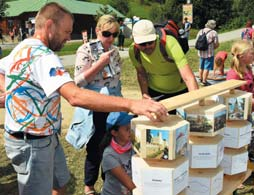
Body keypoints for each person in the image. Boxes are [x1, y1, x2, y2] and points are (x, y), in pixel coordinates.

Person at [0, 3, 168, 195]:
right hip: (33, 142)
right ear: (49, 26)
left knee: (59, 184)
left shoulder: (24, 46)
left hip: (46, 137)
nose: (67, 37)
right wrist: (131, 104)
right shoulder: (43, 56)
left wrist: (13, 91)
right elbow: (74, 95)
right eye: (66, 31)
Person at [66, 14, 124, 195]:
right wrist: (99, 64)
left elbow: (116, 79)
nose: (111, 38)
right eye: (107, 33)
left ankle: (110, 183)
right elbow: (78, 82)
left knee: (114, 146)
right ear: (98, 30)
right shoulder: (86, 50)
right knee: (96, 147)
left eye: (114, 34)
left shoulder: (114, 50)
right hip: (95, 105)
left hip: (114, 104)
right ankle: (89, 186)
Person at [129, 19, 198, 114]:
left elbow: (188, 77)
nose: (147, 46)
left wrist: (196, 103)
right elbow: (141, 74)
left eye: (150, 42)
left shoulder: (169, 43)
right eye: (142, 44)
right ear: (134, 42)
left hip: (179, 91)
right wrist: (145, 95)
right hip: (155, 93)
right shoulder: (133, 51)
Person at [226, 40, 254, 161]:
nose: (253, 55)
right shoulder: (234, 75)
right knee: (244, 137)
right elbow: (231, 98)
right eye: (251, 53)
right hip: (240, 115)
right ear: (242, 56)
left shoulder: (248, 68)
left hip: (250, 110)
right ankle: (244, 159)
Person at [100, 112, 140, 195]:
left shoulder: (134, 145)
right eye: (127, 129)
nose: (131, 131)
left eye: (131, 127)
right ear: (114, 133)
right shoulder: (109, 155)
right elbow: (130, 186)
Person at [196, 19, 219, 86]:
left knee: (201, 66)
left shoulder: (201, 31)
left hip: (201, 52)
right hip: (209, 53)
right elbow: (216, 43)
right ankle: (204, 81)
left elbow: (197, 40)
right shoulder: (214, 32)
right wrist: (214, 47)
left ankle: (200, 79)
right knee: (207, 67)